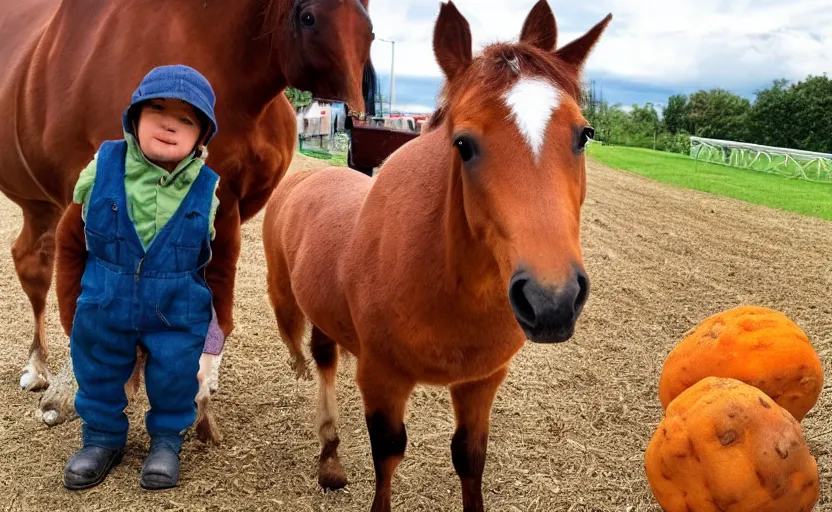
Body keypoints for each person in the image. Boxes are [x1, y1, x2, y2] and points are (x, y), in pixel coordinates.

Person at [63, 64, 221, 491]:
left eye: (187, 119)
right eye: (157, 109)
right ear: (133, 118)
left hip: (177, 304)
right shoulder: (103, 166)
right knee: (97, 367)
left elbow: (220, 262)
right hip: (104, 296)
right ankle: (101, 438)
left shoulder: (208, 189)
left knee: (175, 373)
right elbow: (69, 239)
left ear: (201, 136)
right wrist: (70, 307)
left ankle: (167, 441)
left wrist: (218, 325)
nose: (170, 123)